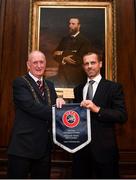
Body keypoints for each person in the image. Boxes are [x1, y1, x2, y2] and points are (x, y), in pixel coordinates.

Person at [7, 50, 65, 179]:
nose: (39, 66)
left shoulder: (49, 85)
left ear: (45, 63)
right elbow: (32, 107)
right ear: (28, 65)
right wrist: (59, 112)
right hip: (23, 147)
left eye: (41, 62)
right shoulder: (20, 83)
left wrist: (60, 102)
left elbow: (54, 105)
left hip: (44, 148)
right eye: (35, 62)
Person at [72, 51, 127, 178]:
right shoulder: (78, 89)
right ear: (83, 66)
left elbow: (122, 115)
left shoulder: (113, 87)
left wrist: (98, 109)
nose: (89, 66)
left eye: (93, 62)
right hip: (81, 152)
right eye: (86, 63)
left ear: (100, 64)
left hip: (105, 152)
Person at [53, 17, 91, 87]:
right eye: (69, 24)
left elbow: (79, 59)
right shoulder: (64, 39)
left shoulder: (85, 41)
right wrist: (64, 59)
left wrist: (62, 53)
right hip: (62, 76)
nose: (70, 26)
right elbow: (54, 54)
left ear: (79, 26)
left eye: (73, 24)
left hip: (76, 77)